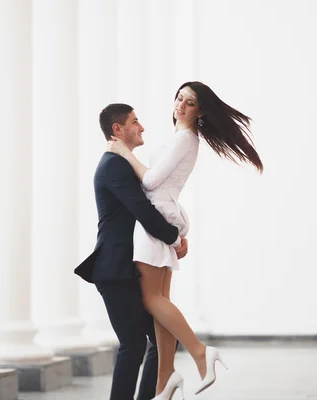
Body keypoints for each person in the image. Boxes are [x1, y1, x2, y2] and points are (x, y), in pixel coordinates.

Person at [107, 81, 263, 399]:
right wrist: (180, 227)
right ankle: (165, 380)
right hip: (164, 218)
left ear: (200, 110)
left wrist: (123, 152)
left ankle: (200, 352)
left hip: (154, 222)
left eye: (190, 102)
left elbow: (151, 182)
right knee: (161, 302)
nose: (181, 104)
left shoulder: (184, 139)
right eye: (179, 97)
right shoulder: (185, 139)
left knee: (151, 301)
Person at [74, 103, 189, 400]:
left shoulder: (122, 163)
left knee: (161, 339)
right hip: (114, 269)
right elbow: (143, 211)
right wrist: (175, 239)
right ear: (118, 129)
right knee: (135, 344)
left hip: (128, 267)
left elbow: (157, 197)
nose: (142, 127)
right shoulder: (114, 166)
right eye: (135, 122)